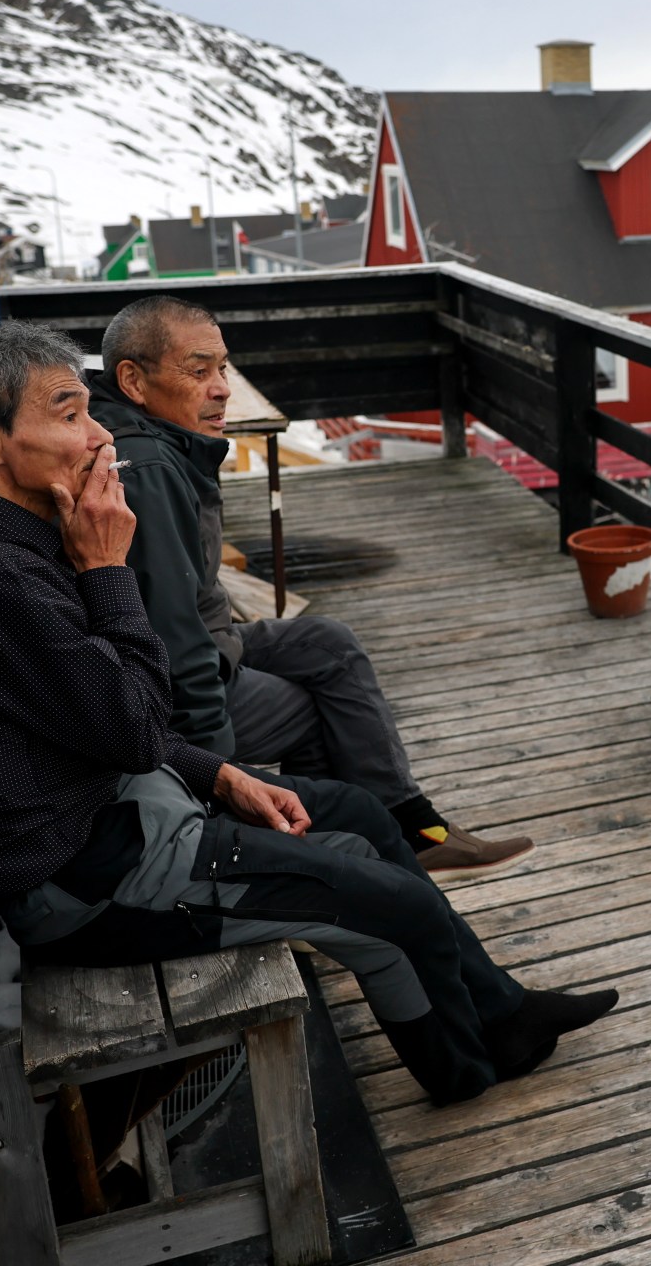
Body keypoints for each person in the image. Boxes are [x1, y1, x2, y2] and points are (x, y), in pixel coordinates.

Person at [0, 322, 613, 1104]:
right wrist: (106, 568)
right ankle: (464, 1073)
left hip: (125, 813)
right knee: (391, 907)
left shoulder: (15, 542)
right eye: (69, 414)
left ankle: (501, 1016)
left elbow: (105, 724)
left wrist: (221, 774)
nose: (99, 436)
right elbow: (134, 729)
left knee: (361, 815)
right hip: (90, 883)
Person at [84, 293, 532, 879]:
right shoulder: (148, 468)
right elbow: (173, 635)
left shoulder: (143, 435)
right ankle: (328, 864)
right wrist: (211, 772)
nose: (222, 389)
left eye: (223, 368)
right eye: (198, 371)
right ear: (133, 381)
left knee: (327, 642)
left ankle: (411, 824)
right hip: (169, 691)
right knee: (312, 707)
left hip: (212, 639)